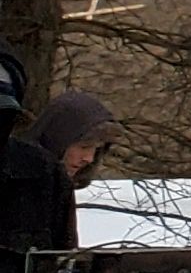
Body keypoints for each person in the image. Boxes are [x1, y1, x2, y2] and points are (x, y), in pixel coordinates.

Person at [0, 88, 112, 259]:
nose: (89, 158)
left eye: (96, 150)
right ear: (59, 139)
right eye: (83, 146)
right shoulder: (22, 187)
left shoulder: (58, 189)